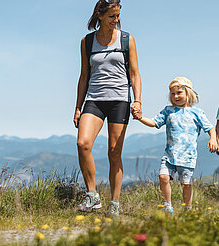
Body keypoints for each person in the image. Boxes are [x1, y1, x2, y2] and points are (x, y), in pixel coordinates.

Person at [73, 0, 142, 217]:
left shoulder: (126, 39)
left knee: (114, 153)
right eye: (112, 16)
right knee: (82, 143)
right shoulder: (87, 42)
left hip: (119, 100)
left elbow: (134, 73)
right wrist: (77, 107)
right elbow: (84, 76)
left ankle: (114, 203)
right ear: (100, 15)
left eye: (118, 15)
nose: (116, 20)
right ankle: (92, 196)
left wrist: (137, 100)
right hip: (94, 99)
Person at [132, 77, 218, 215]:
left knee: (186, 184)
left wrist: (213, 139)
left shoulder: (197, 113)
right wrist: (141, 118)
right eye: (172, 94)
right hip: (170, 154)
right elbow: (154, 123)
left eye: (179, 93)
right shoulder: (168, 111)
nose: (175, 96)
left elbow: (210, 128)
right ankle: (167, 207)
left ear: (188, 93)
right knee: (163, 177)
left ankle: (187, 210)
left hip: (187, 156)